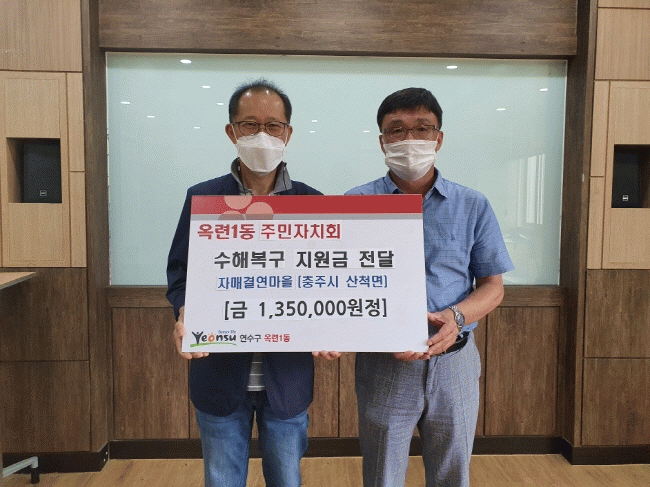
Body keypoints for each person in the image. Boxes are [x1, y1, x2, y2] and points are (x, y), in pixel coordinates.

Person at [166, 79, 339, 487]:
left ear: (288, 134)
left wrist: (333, 325)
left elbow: (328, 282)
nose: (263, 135)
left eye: (273, 125)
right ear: (232, 132)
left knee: (286, 480)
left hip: (287, 380)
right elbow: (180, 274)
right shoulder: (204, 200)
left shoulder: (313, 204)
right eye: (249, 125)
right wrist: (185, 311)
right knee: (222, 480)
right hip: (218, 374)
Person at [346, 87, 514, 487]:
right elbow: (341, 284)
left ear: (438, 139)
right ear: (382, 141)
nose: (410, 139)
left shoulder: (472, 204)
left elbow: (493, 286)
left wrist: (456, 317)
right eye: (397, 130)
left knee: (452, 474)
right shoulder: (356, 202)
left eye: (422, 129)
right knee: (382, 475)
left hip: (455, 360)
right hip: (384, 364)